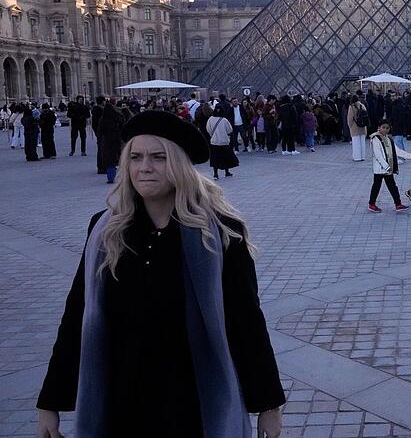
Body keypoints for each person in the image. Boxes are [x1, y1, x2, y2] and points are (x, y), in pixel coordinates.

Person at [35, 111, 284, 437]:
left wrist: (268, 404)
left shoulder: (221, 233)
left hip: (192, 402)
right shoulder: (105, 231)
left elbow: (246, 320)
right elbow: (77, 316)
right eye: (135, 157)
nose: (144, 167)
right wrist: (50, 401)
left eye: (158, 157)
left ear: (180, 165)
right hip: (121, 400)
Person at [368, 119, 411, 213]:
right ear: (379, 128)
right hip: (380, 168)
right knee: (377, 186)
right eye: (383, 127)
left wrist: (410, 156)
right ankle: (372, 204)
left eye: (387, 128)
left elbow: (397, 151)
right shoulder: (375, 138)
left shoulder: (388, 138)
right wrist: (386, 166)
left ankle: (398, 204)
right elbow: (378, 155)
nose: (385, 129)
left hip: (388, 168)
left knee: (392, 186)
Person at [206, 105, 238, 180]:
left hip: (214, 142)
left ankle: (215, 174)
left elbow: (208, 129)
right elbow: (229, 130)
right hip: (224, 141)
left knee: (215, 158)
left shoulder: (210, 119)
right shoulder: (224, 120)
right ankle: (227, 172)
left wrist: (213, 135)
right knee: (225, 157)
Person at [347, 95, 368, 161]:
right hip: (363, 127)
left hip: (355, 127)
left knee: (356, 143)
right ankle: (363, 156)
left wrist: (350, 126)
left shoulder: (351, 107)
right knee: (362, 143)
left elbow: (350, 119)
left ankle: (357, 157)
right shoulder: (362, 105)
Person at [91, 96, 107, 174]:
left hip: (101, 132)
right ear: (102, 101)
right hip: (101, 132)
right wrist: (97, 132)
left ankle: (102, 166)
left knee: (102, 149)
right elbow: (95, 123)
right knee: (101, 149)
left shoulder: (98, 109)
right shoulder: (98, 110)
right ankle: (101, 167)